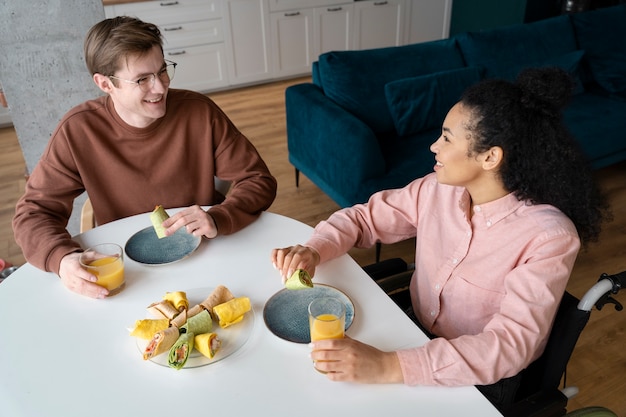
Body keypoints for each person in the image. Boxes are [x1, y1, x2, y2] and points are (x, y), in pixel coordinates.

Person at [270, 67, 610, 410]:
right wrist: (314, 249)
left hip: (479, 378)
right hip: (412, 330)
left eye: (447, 138)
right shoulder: (436, 190)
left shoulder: (549, 237)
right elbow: (363, 218)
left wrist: (389, 365)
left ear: (490, 156)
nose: (434, 146)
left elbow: (510, 345)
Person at [13, 16, 277, 299]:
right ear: (105, 84)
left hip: (207, 257)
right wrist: (62, 259)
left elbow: (258, 180)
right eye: (142, 79)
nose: (160, 87)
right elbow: (33, 214)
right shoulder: (78, 130)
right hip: (129, 273)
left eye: (162, 71)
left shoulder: (199, 112)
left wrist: (219, 217)